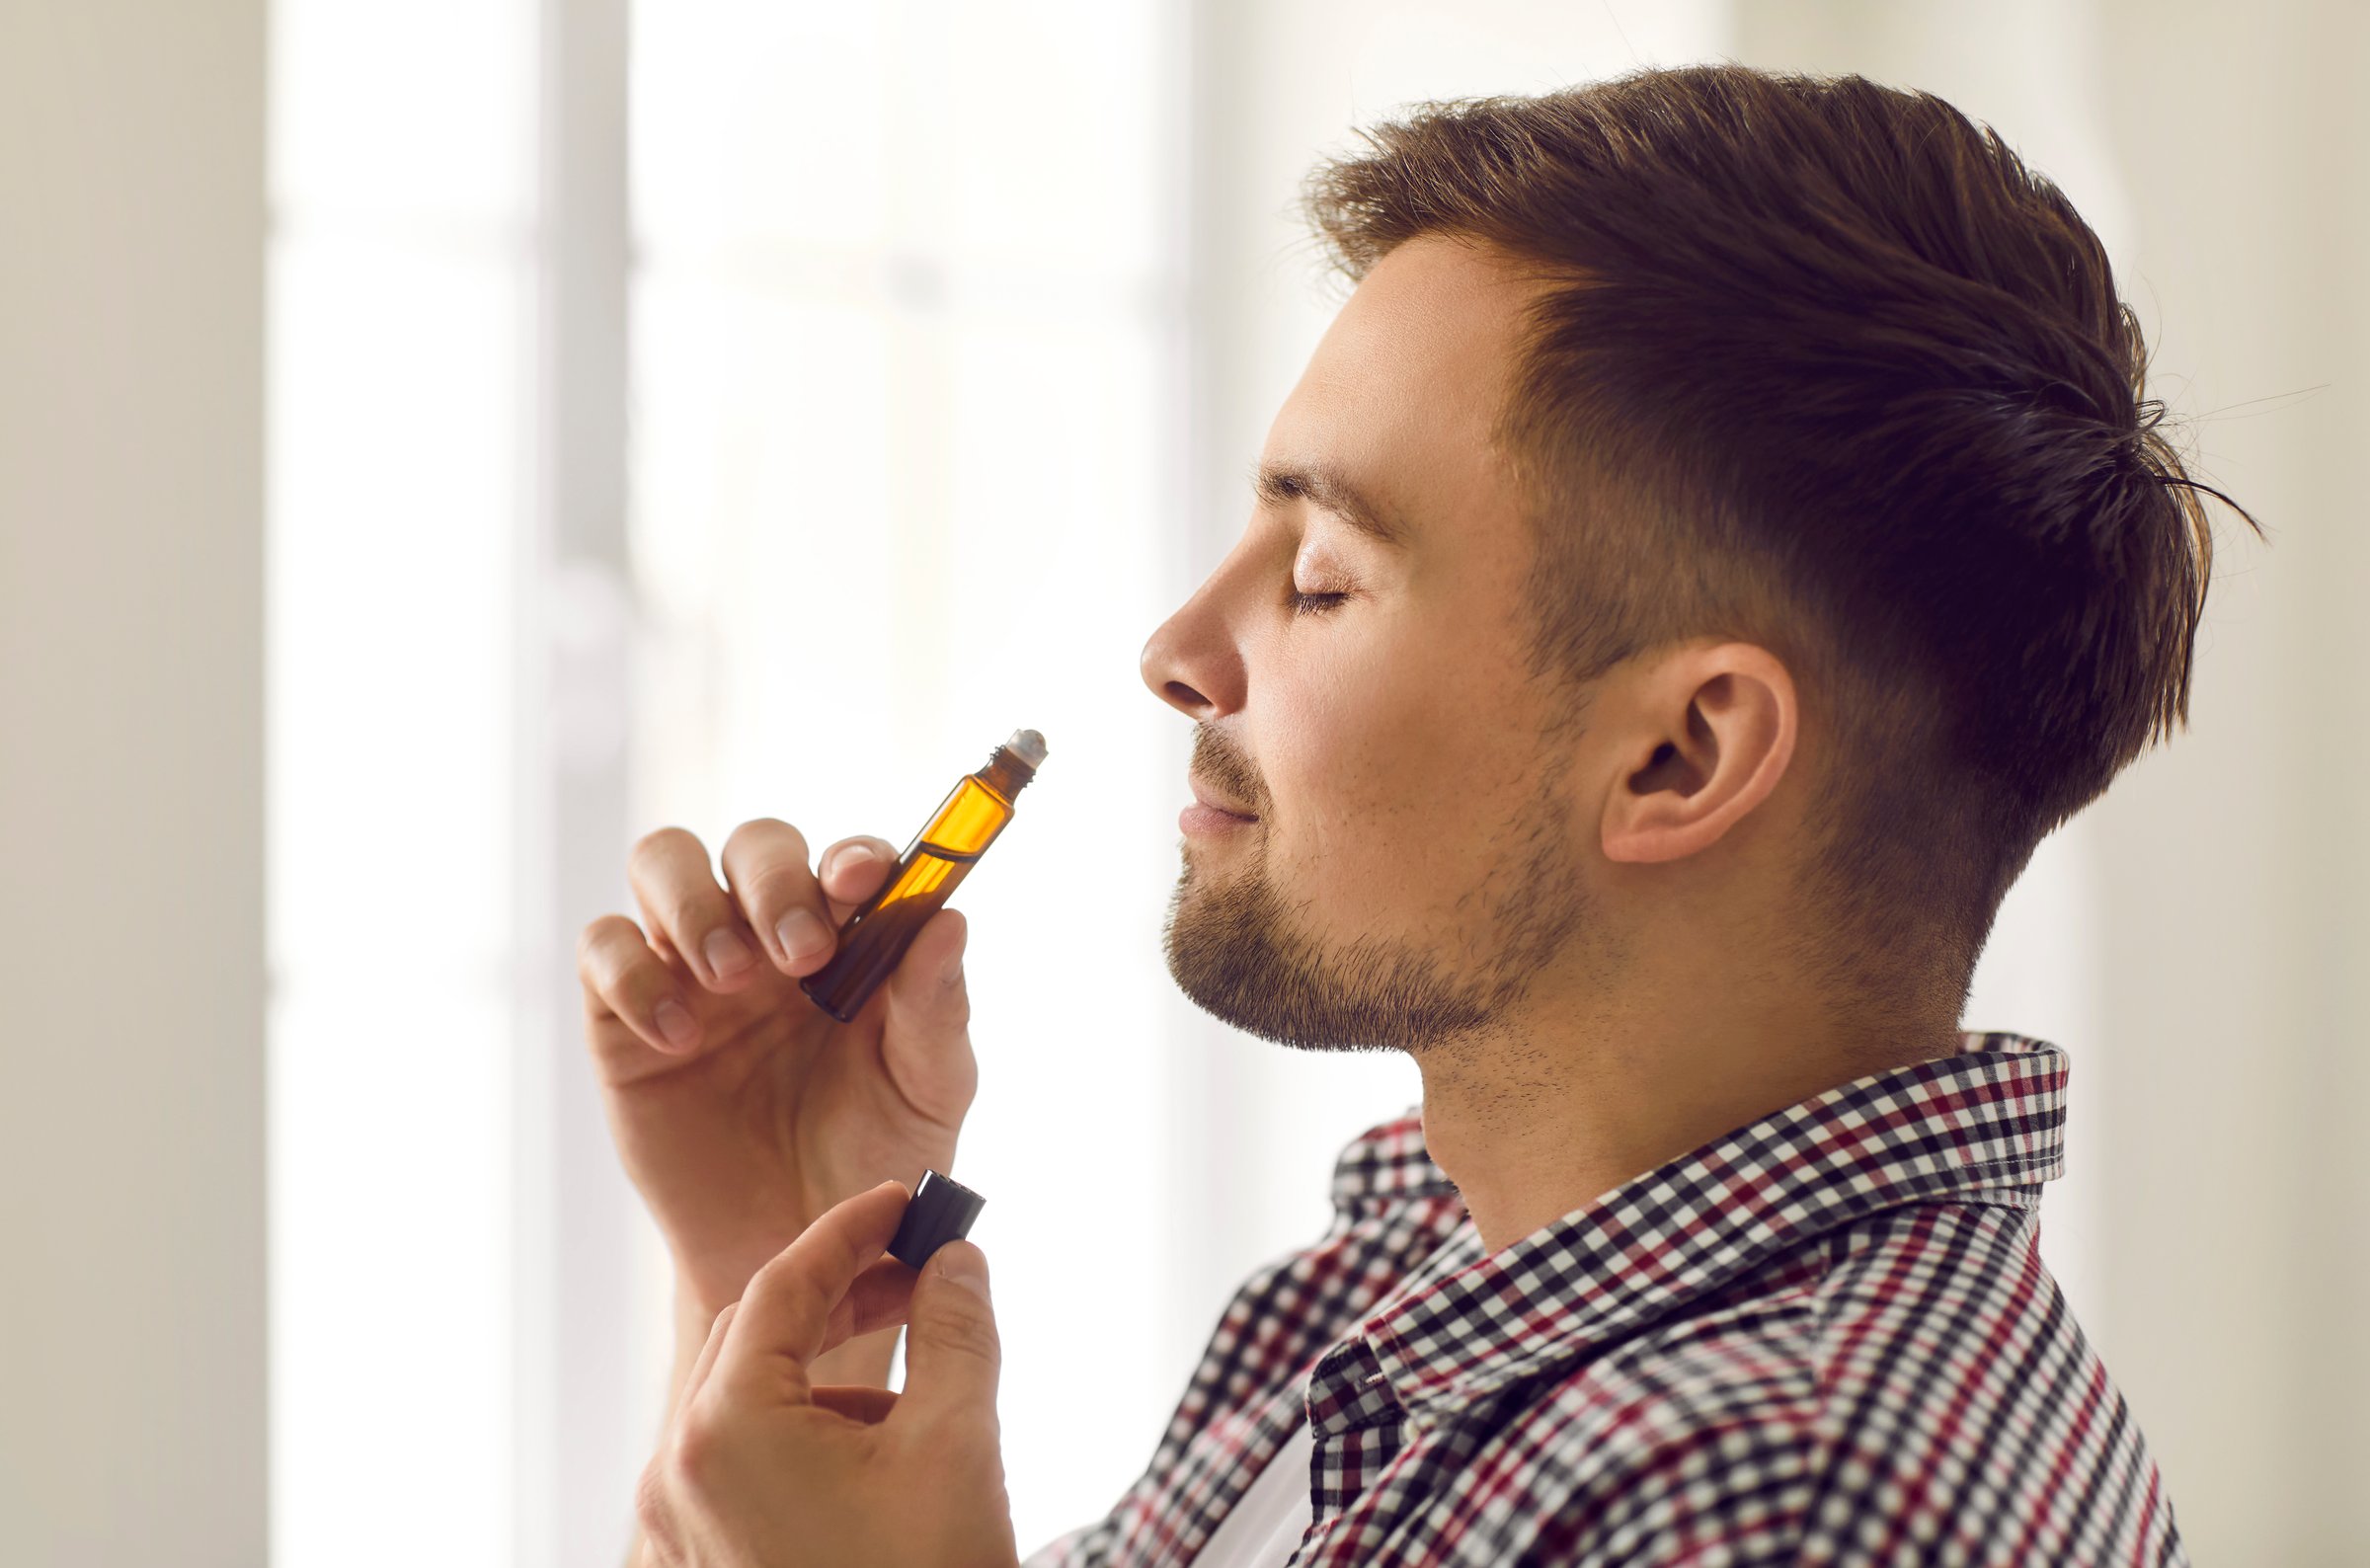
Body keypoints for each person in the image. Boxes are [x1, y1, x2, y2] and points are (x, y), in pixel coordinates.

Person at [580, 64, 2256, 1567]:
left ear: (1680, 755)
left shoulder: (1782, 1498)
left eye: (1320, 578)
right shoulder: (1396, 1288)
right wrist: (774, 1254)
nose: (1173, 651)